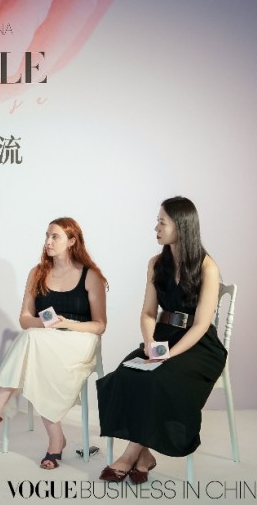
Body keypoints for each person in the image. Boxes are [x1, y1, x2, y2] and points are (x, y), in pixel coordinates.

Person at [97, 196, 226, 484]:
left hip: (199, 345)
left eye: (161, 222)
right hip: (163, 336)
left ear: (181, 226)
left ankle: (130, 455)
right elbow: (147, 312)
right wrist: (149, 342)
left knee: (157, 378)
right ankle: (144, 457)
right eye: (157, 221)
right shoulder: (156, 263)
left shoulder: (207, 267)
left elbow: (201, 324)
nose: (156, 227)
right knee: (126, 372)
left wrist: (169, 354)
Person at [0, 217, 107, 470]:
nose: (48, 242)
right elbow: (25, 319)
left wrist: (67, 324)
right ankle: (56, 439)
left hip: (79, 339)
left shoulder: (90, 276)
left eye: (55, 237)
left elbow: (99, 325)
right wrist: (44, 324)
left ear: (72, 241)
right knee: (34, 340)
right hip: (45, 338)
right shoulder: (38, 273)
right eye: (47, 236)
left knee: (33, 342)